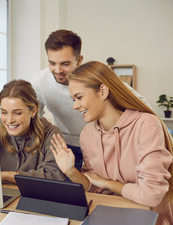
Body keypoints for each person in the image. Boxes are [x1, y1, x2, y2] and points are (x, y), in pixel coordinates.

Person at [50, 61, 173, 225]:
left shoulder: (146, 124)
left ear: (103, 91)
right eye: (73, 99)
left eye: (79, 97)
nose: (75, 106)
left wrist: (107, 183)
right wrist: (70, 171)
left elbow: (150, 195)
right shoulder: (87, 134)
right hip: (109, 221)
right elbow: (94, 188)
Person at [30, 29, 149, 171]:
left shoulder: (95, 77)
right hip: (65, 145)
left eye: (65, 64)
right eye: (52, 63)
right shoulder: (39, 82)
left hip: (99, 144)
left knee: (98, 189)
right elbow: (33, 116)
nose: (58, 70)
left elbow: (140, 103)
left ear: (79, 60)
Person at [0, 80, 66, 183]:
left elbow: (53, 176)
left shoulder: (51, 134)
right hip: (3, 197)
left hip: (35, 197)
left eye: (17, 113)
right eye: (4, 112)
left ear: (33, 111)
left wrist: (5, 175)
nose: (9, 120)